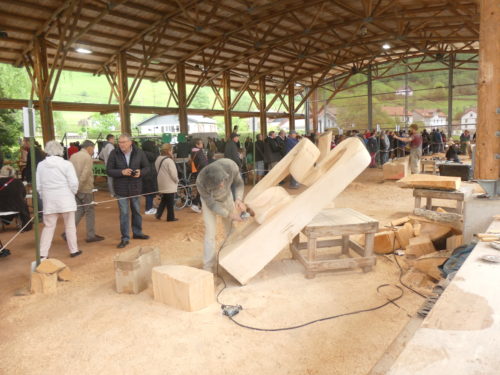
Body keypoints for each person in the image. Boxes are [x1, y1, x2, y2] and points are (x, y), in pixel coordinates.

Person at [196, 159, 246, 273]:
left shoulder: (230, 166)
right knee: (210, 233)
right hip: (210, 203)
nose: (222, 184)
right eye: (219, 184)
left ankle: (233, 259)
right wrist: (230, 215)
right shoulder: (200, 181)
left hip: (227, 197)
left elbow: (238, 183)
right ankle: (208, 266)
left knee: (231, 230)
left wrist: (238, 199)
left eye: (223, 180)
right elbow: (212, 205)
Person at [36, 141, 81, 260]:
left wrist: (43, 195)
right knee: (70, 226)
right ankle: (74, 250)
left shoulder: (41, 165)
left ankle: (42, 253)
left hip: (49, 199)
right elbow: (74, 182)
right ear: (61, 151)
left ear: (47, 150)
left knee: (48, 227)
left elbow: (38, 185)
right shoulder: (66, 164)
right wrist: (72, 192)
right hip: (66, 198)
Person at [106, 134, 150, 248]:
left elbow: (147, 167)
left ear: (130, 142)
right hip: (121, 189)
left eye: (124, 142)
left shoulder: (139, 152)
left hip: (135, 187)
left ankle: (137, 232)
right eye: (119, 142)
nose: (121, 144)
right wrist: (122, 172)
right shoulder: (114, 153)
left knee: (136, 211)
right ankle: (125, 237)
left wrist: (141, 172)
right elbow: (109, 171)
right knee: (124, 213)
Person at [67, 140, 104, 243]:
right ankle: (90, 235)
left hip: (74, 188)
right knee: (89, 211)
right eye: (93, 148)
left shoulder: (73, 156)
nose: (93, 151)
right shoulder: (87, 157)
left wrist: (74, 187)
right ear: (89, 148)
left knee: (79, 210)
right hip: (84, 188)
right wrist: (79, 186)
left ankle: (67, 232)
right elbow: (85, 174)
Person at [0, 166, 32, 231]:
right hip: (16, 208)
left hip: (1, 208)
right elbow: (24, 194)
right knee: (23, 204)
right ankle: (25, 225)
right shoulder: (18, 182)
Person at [155, 144, 179, 222]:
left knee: (164, 199)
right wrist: (177, 180)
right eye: (172, 150)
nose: (172, 151)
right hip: (169, 184)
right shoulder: (169, 160)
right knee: (170, 202)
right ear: (169, 151)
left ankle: (158, 214)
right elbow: (173, 174)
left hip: (161, 182)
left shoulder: (158, 158)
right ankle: (170, 217)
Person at [190, 138, 208, 213]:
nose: (202, 144)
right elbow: (203, 163)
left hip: (198, 172)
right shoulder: (199, 152)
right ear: (197, 145)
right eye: (201, 143)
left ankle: (199, 205)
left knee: (201, 189)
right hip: (202, 172)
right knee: (202, 190)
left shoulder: (193, 152)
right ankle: (195, 204)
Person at [141, 140, 158, 215]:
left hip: (144, 174)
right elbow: (156, 156)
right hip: (149, 175)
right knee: (149, 192)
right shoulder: (150, 154)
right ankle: (148, 209)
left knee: (148, 191)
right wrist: (156, 148)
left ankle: (150, 207)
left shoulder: (141, 153)